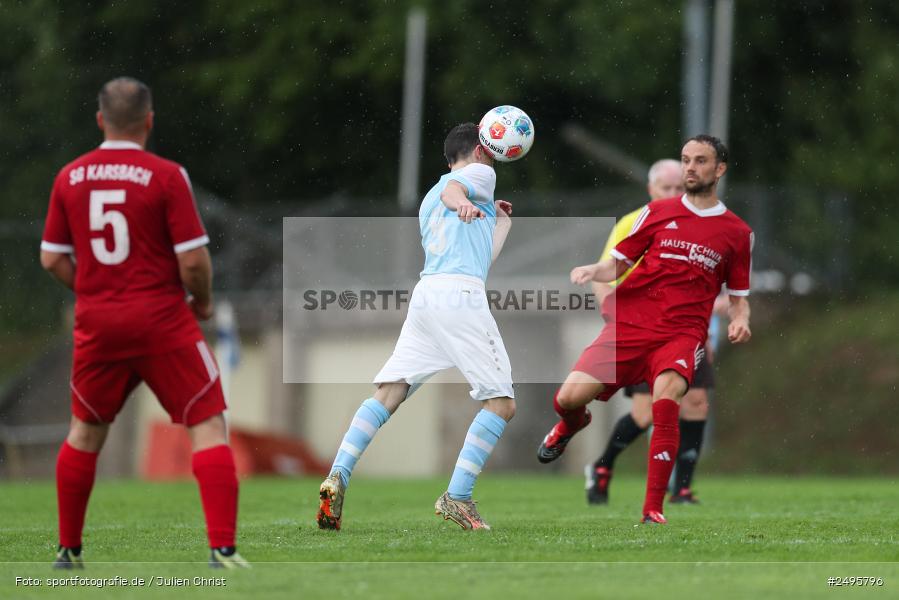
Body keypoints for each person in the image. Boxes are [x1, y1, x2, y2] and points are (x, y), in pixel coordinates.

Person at [40, 77, 248, 568]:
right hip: (162, 319)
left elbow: (51, 259)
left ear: (100, 121)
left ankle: (68, 550)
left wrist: (96, 289)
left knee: (85, 431)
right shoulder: (166, 174)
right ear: (149, 121)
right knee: (206, 423)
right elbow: (194, 261)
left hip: (99, 324)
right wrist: (203, 302)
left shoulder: (69, 176)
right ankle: (222, 549)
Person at [537, 135, 753, 524]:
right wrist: (593, 270)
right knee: (567, 399)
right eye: (686, 159)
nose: (690, 167)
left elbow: (738, 296)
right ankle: (572, 425)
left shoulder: (737, 232)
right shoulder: (656, 212)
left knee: (667, 405)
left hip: (682, 334)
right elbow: (617, 264)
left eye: (700, 161)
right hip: (632, 325)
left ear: (719, 168)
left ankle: (653, 508)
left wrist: (740, 319)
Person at [316, 122, 515, 531]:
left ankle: (337, 473)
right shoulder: (479, 174)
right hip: (459, 298)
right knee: (501, 403)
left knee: (389, 392)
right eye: (491, 150)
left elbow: (478, 261)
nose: (494, 156)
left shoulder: (429, 200)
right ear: (480, 150)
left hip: (428, 297)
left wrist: (499, 224)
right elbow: (454, 192)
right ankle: (458, 497)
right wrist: (461, 199)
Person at [585, 159, 720, 506]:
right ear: (651, 190)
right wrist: (614, 320)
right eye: (667, 188)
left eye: (679, 188)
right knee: (645, 412)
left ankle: (683, 489)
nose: (674, 194)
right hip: (645, 329)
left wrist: (711, 325)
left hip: (688, 331)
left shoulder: (702, 223)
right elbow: (604, 276)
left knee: (696, 403)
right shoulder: (634, 223)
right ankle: (602, 467)